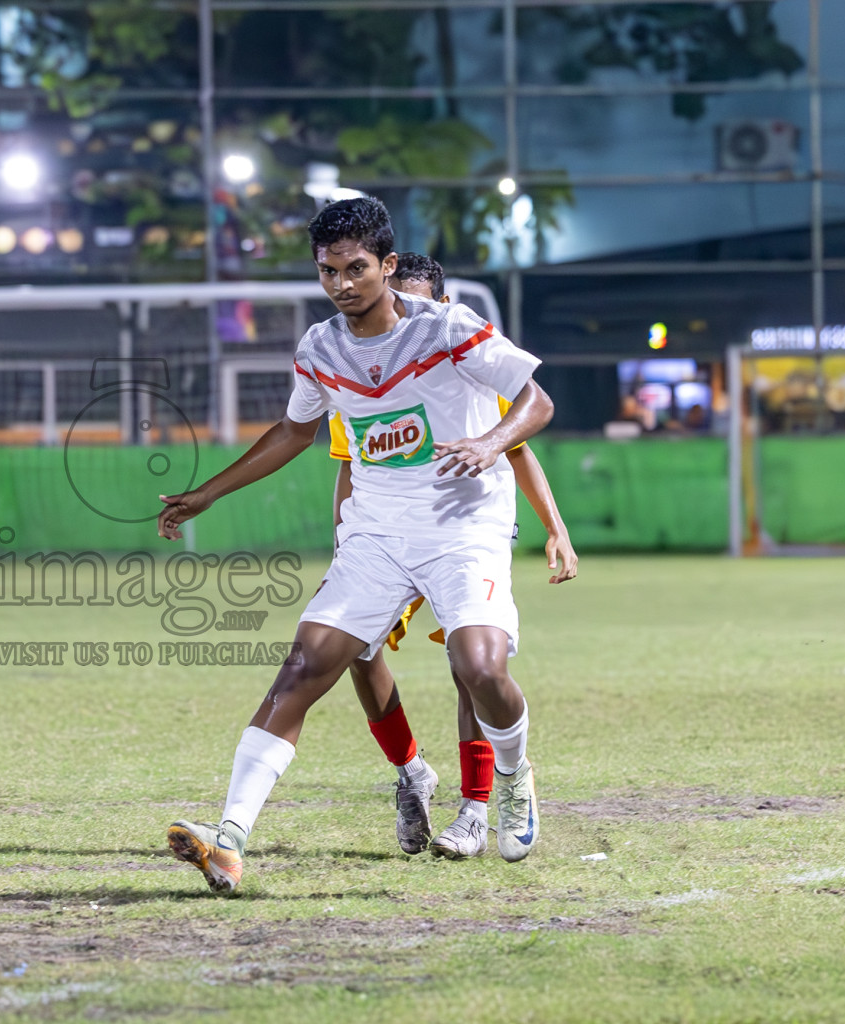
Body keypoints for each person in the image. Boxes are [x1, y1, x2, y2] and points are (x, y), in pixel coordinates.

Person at [158, 196, 553, 892]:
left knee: (481, 666)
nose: (343, 284)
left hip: (463, 525)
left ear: (389, 266)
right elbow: (291, 432)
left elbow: (536, 400)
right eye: (329, 271)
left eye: (357, 268)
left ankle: (515, 776)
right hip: (377, 531)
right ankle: (228, 841)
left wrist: (491, 441)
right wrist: (209, 492)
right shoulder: (321, 347)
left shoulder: (447, 328)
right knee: (305, 666)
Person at [335, 252, 578, 860]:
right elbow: (350, 467)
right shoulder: (366, 368)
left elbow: (519, 447)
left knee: (468, 664)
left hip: (460, 532)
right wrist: (346, 542)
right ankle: (412, 771)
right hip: (386, 535)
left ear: (440, 303)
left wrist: (556, 528)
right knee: (355, 653)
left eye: (422, 305)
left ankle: (476, 809)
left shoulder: (467, 361)